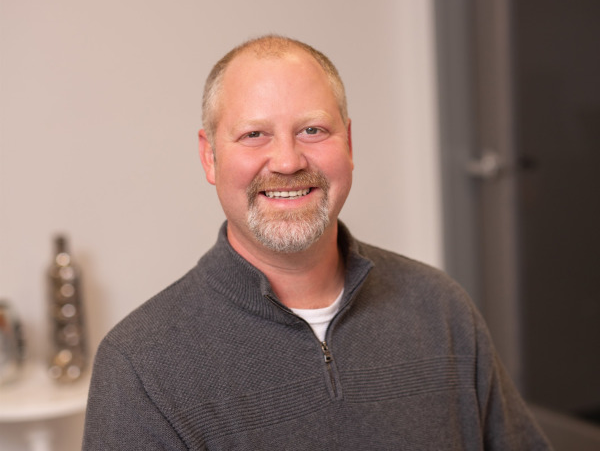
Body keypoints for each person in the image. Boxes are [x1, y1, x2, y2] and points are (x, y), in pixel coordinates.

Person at [82, 35, 551, 450]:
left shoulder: (441, 308)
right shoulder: (140, 367)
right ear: (210, 157)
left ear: (348, 144)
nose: (287, 161)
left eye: (313, 130)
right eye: (254, 134)